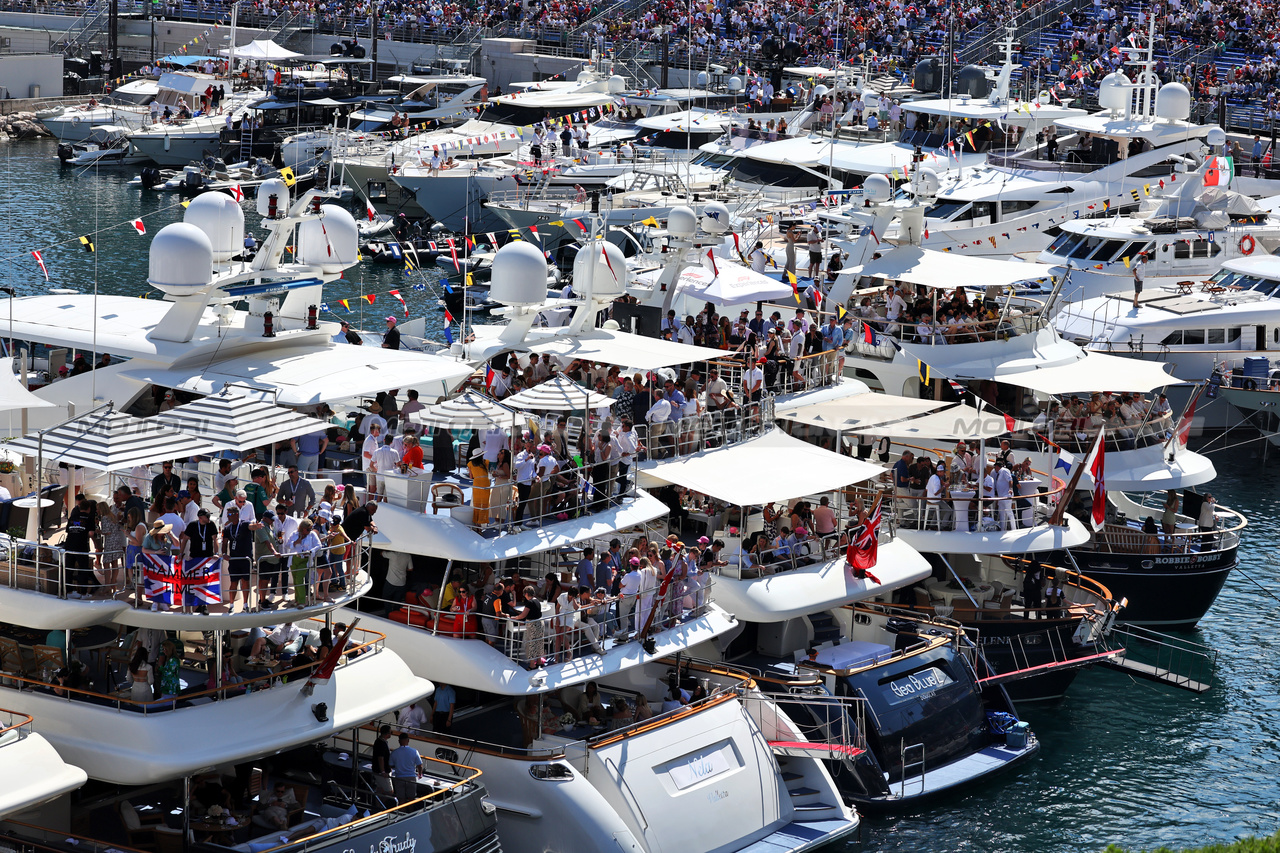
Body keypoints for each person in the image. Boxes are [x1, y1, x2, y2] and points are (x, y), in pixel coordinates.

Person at [221, 508, 254, 612]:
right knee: (233, 582)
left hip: (245, 559)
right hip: (234, 559)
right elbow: (225, 543)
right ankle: (231, 606)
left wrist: (256, 526)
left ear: (236, 514)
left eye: (230, 514)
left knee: (245, 581)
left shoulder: (244, 524)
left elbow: (251, 526)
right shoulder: (227, 528)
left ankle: (245, 605)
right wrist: (225, 554)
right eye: (227, 514)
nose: (228, 516)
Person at [388, 733, 423, 804]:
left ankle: (401, 812)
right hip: (411, 778)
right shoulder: (414, 751)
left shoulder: (394, 752)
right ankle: (411, 813)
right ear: (408, 740)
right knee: (411, 800)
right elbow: (420, 765)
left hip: (399, 778)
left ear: (399, 741)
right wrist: (419, 774)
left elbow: (390, 765)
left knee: (401, 800)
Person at [371, 724, 395, 797]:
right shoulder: (381, 743)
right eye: (391, 732)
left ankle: (379, 805)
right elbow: (380, 758)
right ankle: (382, 805)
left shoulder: (379, 741)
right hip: (381, 771)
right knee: (389, 791)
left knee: (380, 789)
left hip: (377, 769)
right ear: (387, 734)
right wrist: (383, 771)